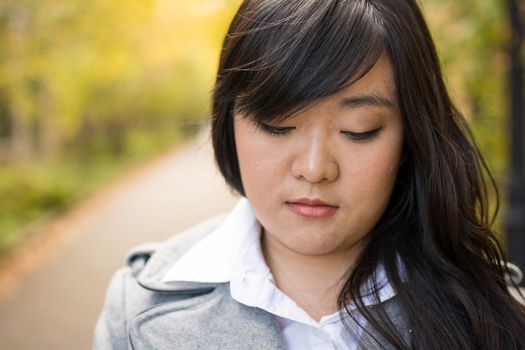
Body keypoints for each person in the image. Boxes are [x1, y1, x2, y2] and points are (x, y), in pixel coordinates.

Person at [94, 0, 525, 349]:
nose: (315, 169)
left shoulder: (493, 312)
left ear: (411, 135)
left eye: (360, 131)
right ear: (228, 122)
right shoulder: (138, 310)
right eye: (278, 126)